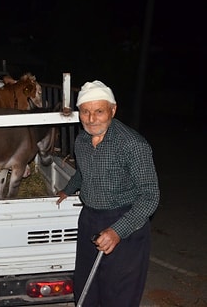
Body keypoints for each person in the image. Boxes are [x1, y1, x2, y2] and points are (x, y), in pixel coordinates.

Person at [57, 80, 160, 306]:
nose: (91, 119)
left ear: (113, 110)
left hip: (126, 222)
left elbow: (150, 195)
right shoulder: (82, 140)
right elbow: (82, 172)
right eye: (85, 111)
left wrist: (117, 231)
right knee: (86, 289)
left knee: (118, 295)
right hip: (90, 219)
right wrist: (67, 190)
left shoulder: (132, 144)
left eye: (99, 111)